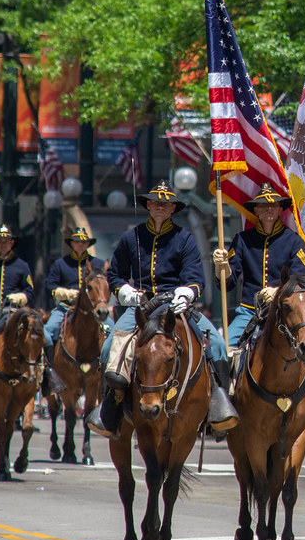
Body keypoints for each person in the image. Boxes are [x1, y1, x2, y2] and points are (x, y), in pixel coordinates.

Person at [87, 181, 237, 439]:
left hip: (174, 305)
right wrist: (123, 291)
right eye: (155, 202)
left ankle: (218, 407)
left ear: (172, 209)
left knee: (220, 346)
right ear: (147, 206)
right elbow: (115, 274)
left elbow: (195, 278)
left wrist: (187, 292)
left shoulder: (184, 238)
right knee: (107, 347)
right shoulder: (131, 237)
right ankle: (110, 410)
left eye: (165, 204)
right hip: (141, 306)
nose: (160, 207)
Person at [213, 183, 305, 440]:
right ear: (256, 210)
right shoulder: (242, 240)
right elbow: (228, 283)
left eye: (272, 205)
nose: (268, 209)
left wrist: (277, 291)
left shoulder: (293, 240)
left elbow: (302, 280)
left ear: (280, 209)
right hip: (249, 312)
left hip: (290, 312)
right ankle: (225, 407)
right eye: (263, 205)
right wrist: (223, 267)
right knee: (222, 349)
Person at [43, 227, 106, 364]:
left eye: (84, 242)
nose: (80, 244)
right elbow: (50, 285)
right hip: (66, 308)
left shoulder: (98, 264)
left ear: (88, 244)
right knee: (47, 332)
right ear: (71, 243)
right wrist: (64, 293)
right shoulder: (60, 264)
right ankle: (49, 370)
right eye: (77, 241)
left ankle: (108, 373)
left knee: (113, 331)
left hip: (93, 311)